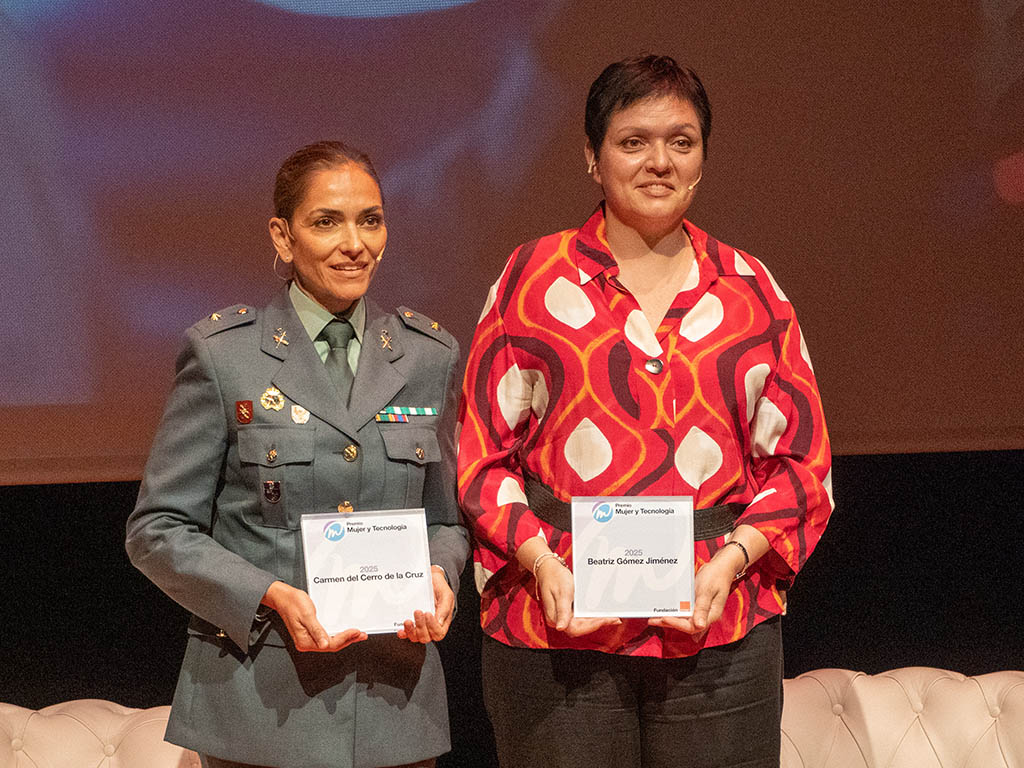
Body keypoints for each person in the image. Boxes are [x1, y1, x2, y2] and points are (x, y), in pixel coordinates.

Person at [457, 55, 833, 767]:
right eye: (633, 141)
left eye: (681, 142)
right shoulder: (531, 279)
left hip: (720, 629)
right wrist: (539, 561)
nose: (658, 161)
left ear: (702, 158)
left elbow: (800, 468)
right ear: (593, 160)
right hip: (555, 628)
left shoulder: (753, 289)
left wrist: (731, 560)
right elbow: (482, 458)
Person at [126, 141, 468, 768]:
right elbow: (157, 530)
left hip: (395, 711)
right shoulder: (224, 355)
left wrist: (442, 574)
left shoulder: (427, 356)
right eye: (326, 221)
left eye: (370, 219)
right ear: (283, 237)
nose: (354, 242)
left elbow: (445, 521)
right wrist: (268, 594)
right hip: (260, 708)